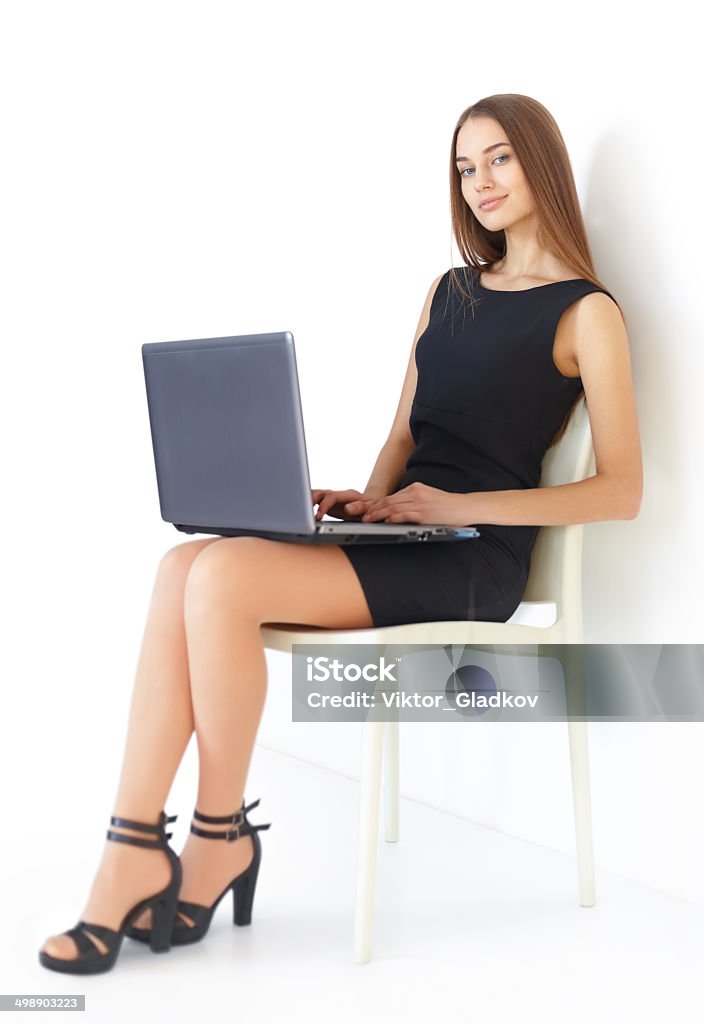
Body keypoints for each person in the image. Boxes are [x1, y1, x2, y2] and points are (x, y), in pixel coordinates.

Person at [38, 92, 642, 973]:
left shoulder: (588, 312)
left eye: (499, 158)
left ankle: (214, 840)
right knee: (182, 563)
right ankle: (136, 843)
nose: (479, 182)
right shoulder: (449, 292)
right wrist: (363, 504)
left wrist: (458, 509)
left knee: (222, 579)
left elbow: (620, 491)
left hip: (477, 560)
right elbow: (404, 439)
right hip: (410, 537)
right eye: (465, 167)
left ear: (541, 162)